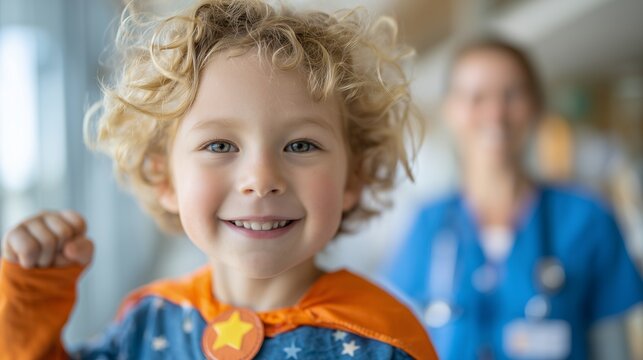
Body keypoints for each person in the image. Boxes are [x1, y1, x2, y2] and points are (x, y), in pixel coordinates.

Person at [0, 1, 437, 359]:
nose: (261, 179)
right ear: (164, 177)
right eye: (220, 146)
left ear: (353, 178)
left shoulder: (384, 342)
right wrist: (31, 300)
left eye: (301, 145)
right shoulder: (149, 320)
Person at [382, 37, 643, 360]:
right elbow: (395, 340)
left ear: (536, 105)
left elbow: (614, 349)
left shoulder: (588, 218)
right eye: (477, 97)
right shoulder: (427, 223)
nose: (496, 113)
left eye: (512, 94)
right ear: (450, 110)